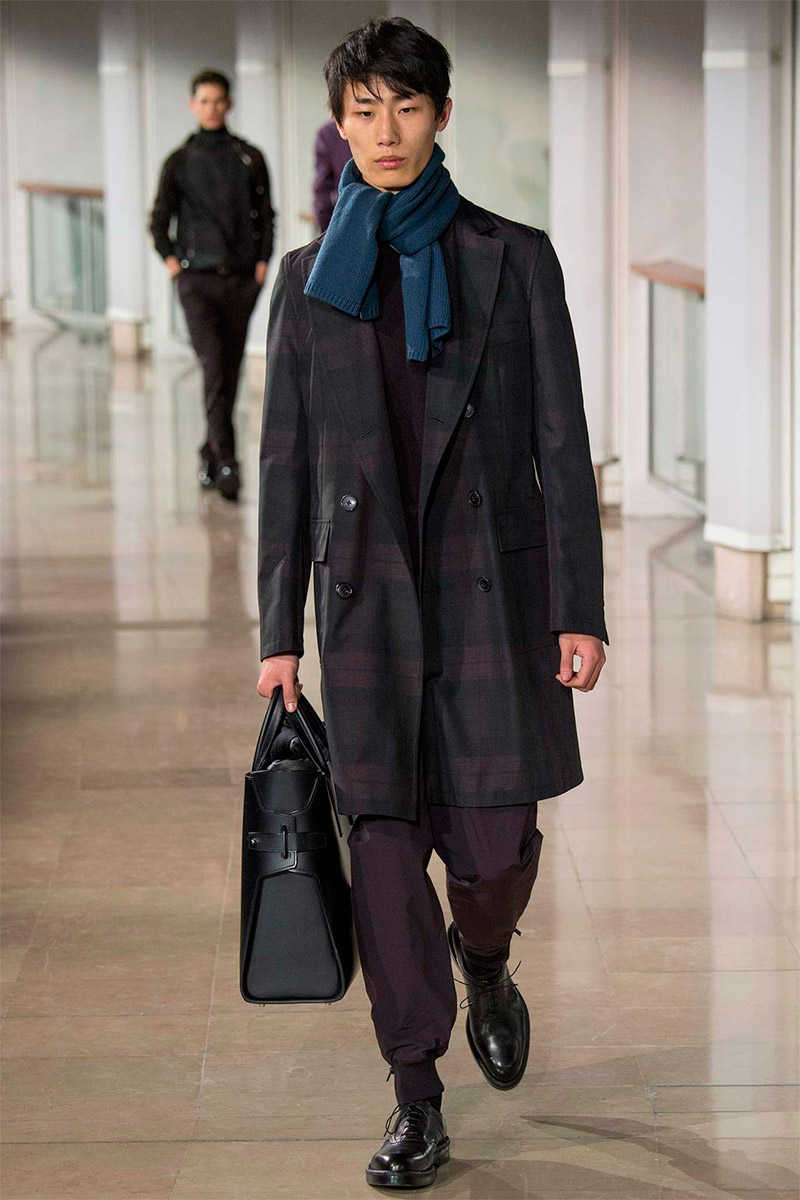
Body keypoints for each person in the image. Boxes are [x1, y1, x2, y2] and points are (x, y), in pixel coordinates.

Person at [256, 17, 609, 1190]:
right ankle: (414, 1091)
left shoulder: (516, 259)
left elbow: (560, 444)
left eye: (405, 107)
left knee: (495, 845)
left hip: (491, 600)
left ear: (441, 116)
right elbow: (285, 467)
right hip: (365, 610)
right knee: (384, 853)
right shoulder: (307, 282)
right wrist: (275, 636)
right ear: (339, 123)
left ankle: (486, 957)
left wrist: (577, 607)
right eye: (363, 109)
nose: (384, 130)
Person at [149, 69, 275, 501]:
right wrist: (175, 267)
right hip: (196, 281)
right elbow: (159, 220)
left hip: (240, 280)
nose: (211, 108)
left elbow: (266, 215)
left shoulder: (249, 157)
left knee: (228, 368)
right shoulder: (179, 161)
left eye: (218, 101)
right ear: (192, 105)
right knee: (215, 366)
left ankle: (208, 451)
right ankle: (228, 462)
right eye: (203, 101)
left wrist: (262, 263)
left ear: (229, 104)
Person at [312, 119, 352, 231]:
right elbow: (322, 189)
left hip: (348, 220)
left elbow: (321, 188)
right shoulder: (328, 134)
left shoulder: (328, 133)